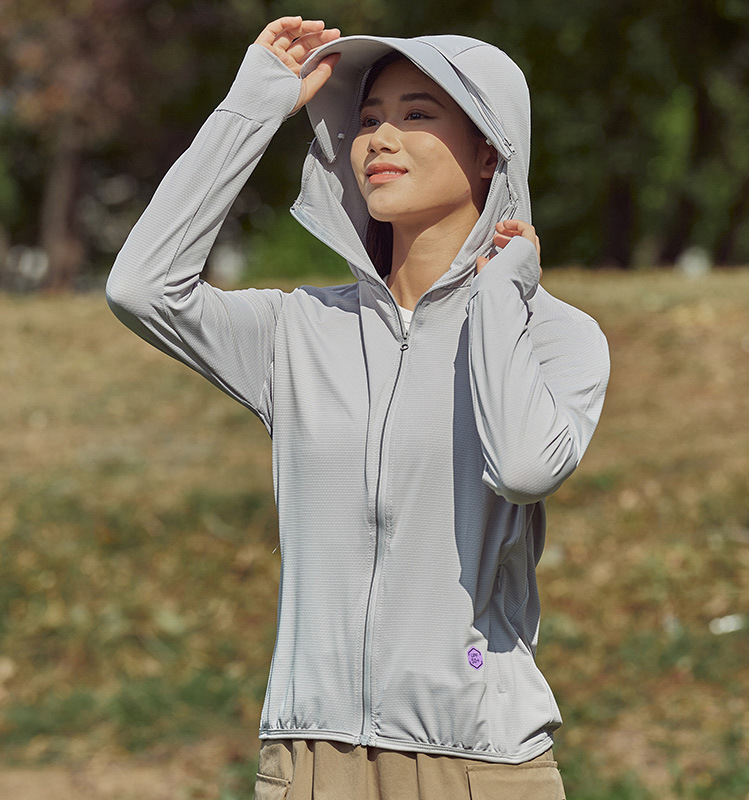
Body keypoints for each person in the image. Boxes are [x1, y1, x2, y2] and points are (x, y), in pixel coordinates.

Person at [107, 15, 610, 800]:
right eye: (368, 119)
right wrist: (255, 105)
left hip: (476, 759)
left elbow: (521, 467)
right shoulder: (297, 330)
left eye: (416, 114)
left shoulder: (553, 335)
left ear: (489, 152)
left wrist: (500, 294)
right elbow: (142, 288)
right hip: (309, 758)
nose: (380, 138)